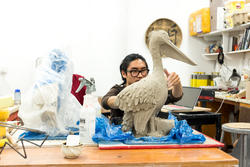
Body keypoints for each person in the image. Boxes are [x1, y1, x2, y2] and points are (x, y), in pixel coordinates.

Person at [101, 53, 183, 125]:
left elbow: (175, 96)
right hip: (122, 133)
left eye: (143, 70)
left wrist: (177, 84)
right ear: (124, 74)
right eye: (134, 71)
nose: (140, 75)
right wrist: (127, 99)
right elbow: (105, 101)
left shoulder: (152, 91)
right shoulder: (118, 89)